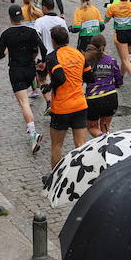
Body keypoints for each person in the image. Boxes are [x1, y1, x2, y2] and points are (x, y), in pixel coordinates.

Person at [0, 3, 44, 154]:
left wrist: (6, 51)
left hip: (16, 70)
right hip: (30, 70)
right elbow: (42, 49)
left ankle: (33, 133)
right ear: (21, 17)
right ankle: (29, 124)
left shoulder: (6, 34)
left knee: (24, 103)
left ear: (10, 17)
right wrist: (40, 61)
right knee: (23, 102)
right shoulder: (31, 32)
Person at [41, 27, 89, 168]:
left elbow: (60, 78)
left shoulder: (52, 57)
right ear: (67, 39)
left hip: (61, 108)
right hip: (80, 105)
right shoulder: (79, 54)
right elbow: (89, 76)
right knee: (80, 146)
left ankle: (56, 178)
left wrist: (49, 87)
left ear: (53, 41)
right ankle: (82, 175)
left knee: (57, 145)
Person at [82, 34, 123, 136]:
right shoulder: (111, 60)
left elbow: (82, 79)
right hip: (111, 97)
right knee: (105, 126)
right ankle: (106, 144)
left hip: (93, 98)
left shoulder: (87, 61)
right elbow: (119, 80)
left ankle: (103, 138)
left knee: (92, 128)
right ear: (104, 45)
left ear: (92, 44)